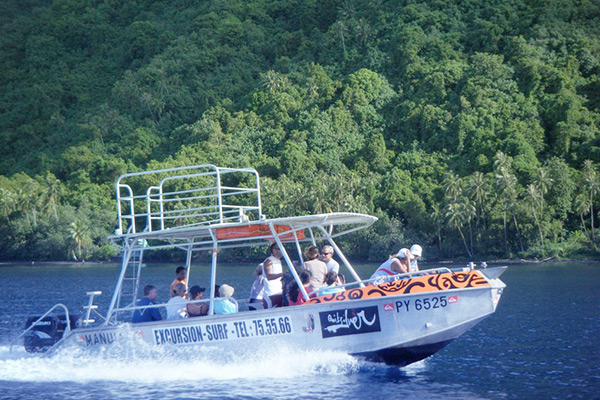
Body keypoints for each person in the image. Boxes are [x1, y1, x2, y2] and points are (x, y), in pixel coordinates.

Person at [261, 243, 284, 308]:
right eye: (280, 249)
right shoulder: (269, 261)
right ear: (274, 250)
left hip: (279, 292)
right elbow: (269, 276)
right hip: (271, 294)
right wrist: (282, 274)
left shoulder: (278, 261)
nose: (282, 251)